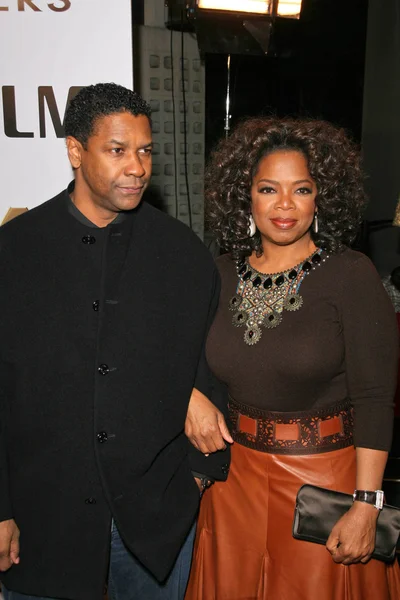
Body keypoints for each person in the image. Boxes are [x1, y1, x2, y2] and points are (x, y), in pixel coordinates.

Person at [0, 83, 231, 600]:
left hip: (154, 519)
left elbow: (210, 365)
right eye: (118, 150)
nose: (137, 167)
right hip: (44, 520)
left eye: (146, 151)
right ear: (75, 151)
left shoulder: (181, 253)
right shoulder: (14, 251)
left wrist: (195, 479)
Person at [185, 117, 400, 599]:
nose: (284, 205)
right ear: (246, 197)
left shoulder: (351, 275)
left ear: (320, 197)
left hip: (324, 485)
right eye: (268, 189)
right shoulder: (217, 273)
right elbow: (176, 357)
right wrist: (189, 395)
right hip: (231, 481)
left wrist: (366, 505)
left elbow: (373, 398)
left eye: (301, 189)